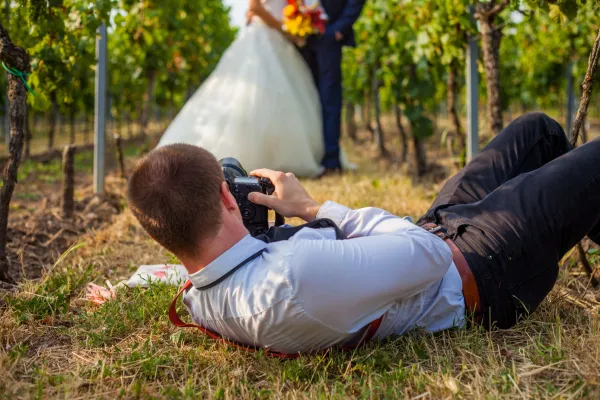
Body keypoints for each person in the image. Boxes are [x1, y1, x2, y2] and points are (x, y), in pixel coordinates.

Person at [128, 113, 600, 355]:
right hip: (480, 267)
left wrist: (125, 285)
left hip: (431, 233)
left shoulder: (200, 293)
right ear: (229, 198)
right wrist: (308, 207)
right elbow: (428, 255)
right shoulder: (294, 278)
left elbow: (186, 271)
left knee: (536, 131)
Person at [157, 0, 354, 178]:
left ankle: (287, 155)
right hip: (264, 36)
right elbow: (254, 7)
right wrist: (283, 29)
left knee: (285, 99)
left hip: (282, 42)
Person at [299, 0, 365, 175]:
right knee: (305, 99)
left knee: (329, 100)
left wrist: (338, 29)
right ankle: (310, 157)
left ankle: (331, 160)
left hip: (328, 34)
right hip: (300, 37)